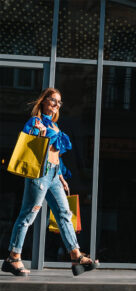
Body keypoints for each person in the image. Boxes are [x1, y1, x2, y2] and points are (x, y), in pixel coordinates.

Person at [1, 87, 98, 276]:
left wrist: (61, 177)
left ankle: (75, 256)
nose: (56, 104)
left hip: (54, 175)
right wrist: (40, 133)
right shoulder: (35, 121)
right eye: (53, 100)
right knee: (28, 215)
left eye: (59, 102)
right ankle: (13, 258)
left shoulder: (55, 126)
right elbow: (29, 145)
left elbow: (56, 154)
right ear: (44, 101)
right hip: (40, 174)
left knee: (64, 213)